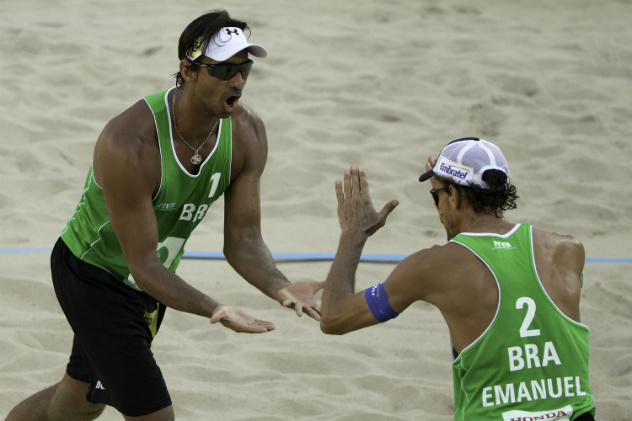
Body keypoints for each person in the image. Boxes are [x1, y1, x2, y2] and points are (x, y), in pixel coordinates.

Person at [5, 10, 323, 421]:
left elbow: (243, 239)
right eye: (224, 68)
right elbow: (144, 263)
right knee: (155, 415)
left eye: (244, 67)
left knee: (80, 399)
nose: (238, 81)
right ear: (187, 70)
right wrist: (215, 307)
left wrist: (280, 286)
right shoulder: (129, 143)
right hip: (93, 273)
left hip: (151, 285)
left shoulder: (248, 134)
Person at [320, 137, 596, 420]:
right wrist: (448, 195)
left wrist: (354, 234)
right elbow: (482, 256)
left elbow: (333, 318)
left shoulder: (434, 266)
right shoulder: (568, 250)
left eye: (436, 195)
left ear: (454, 194)